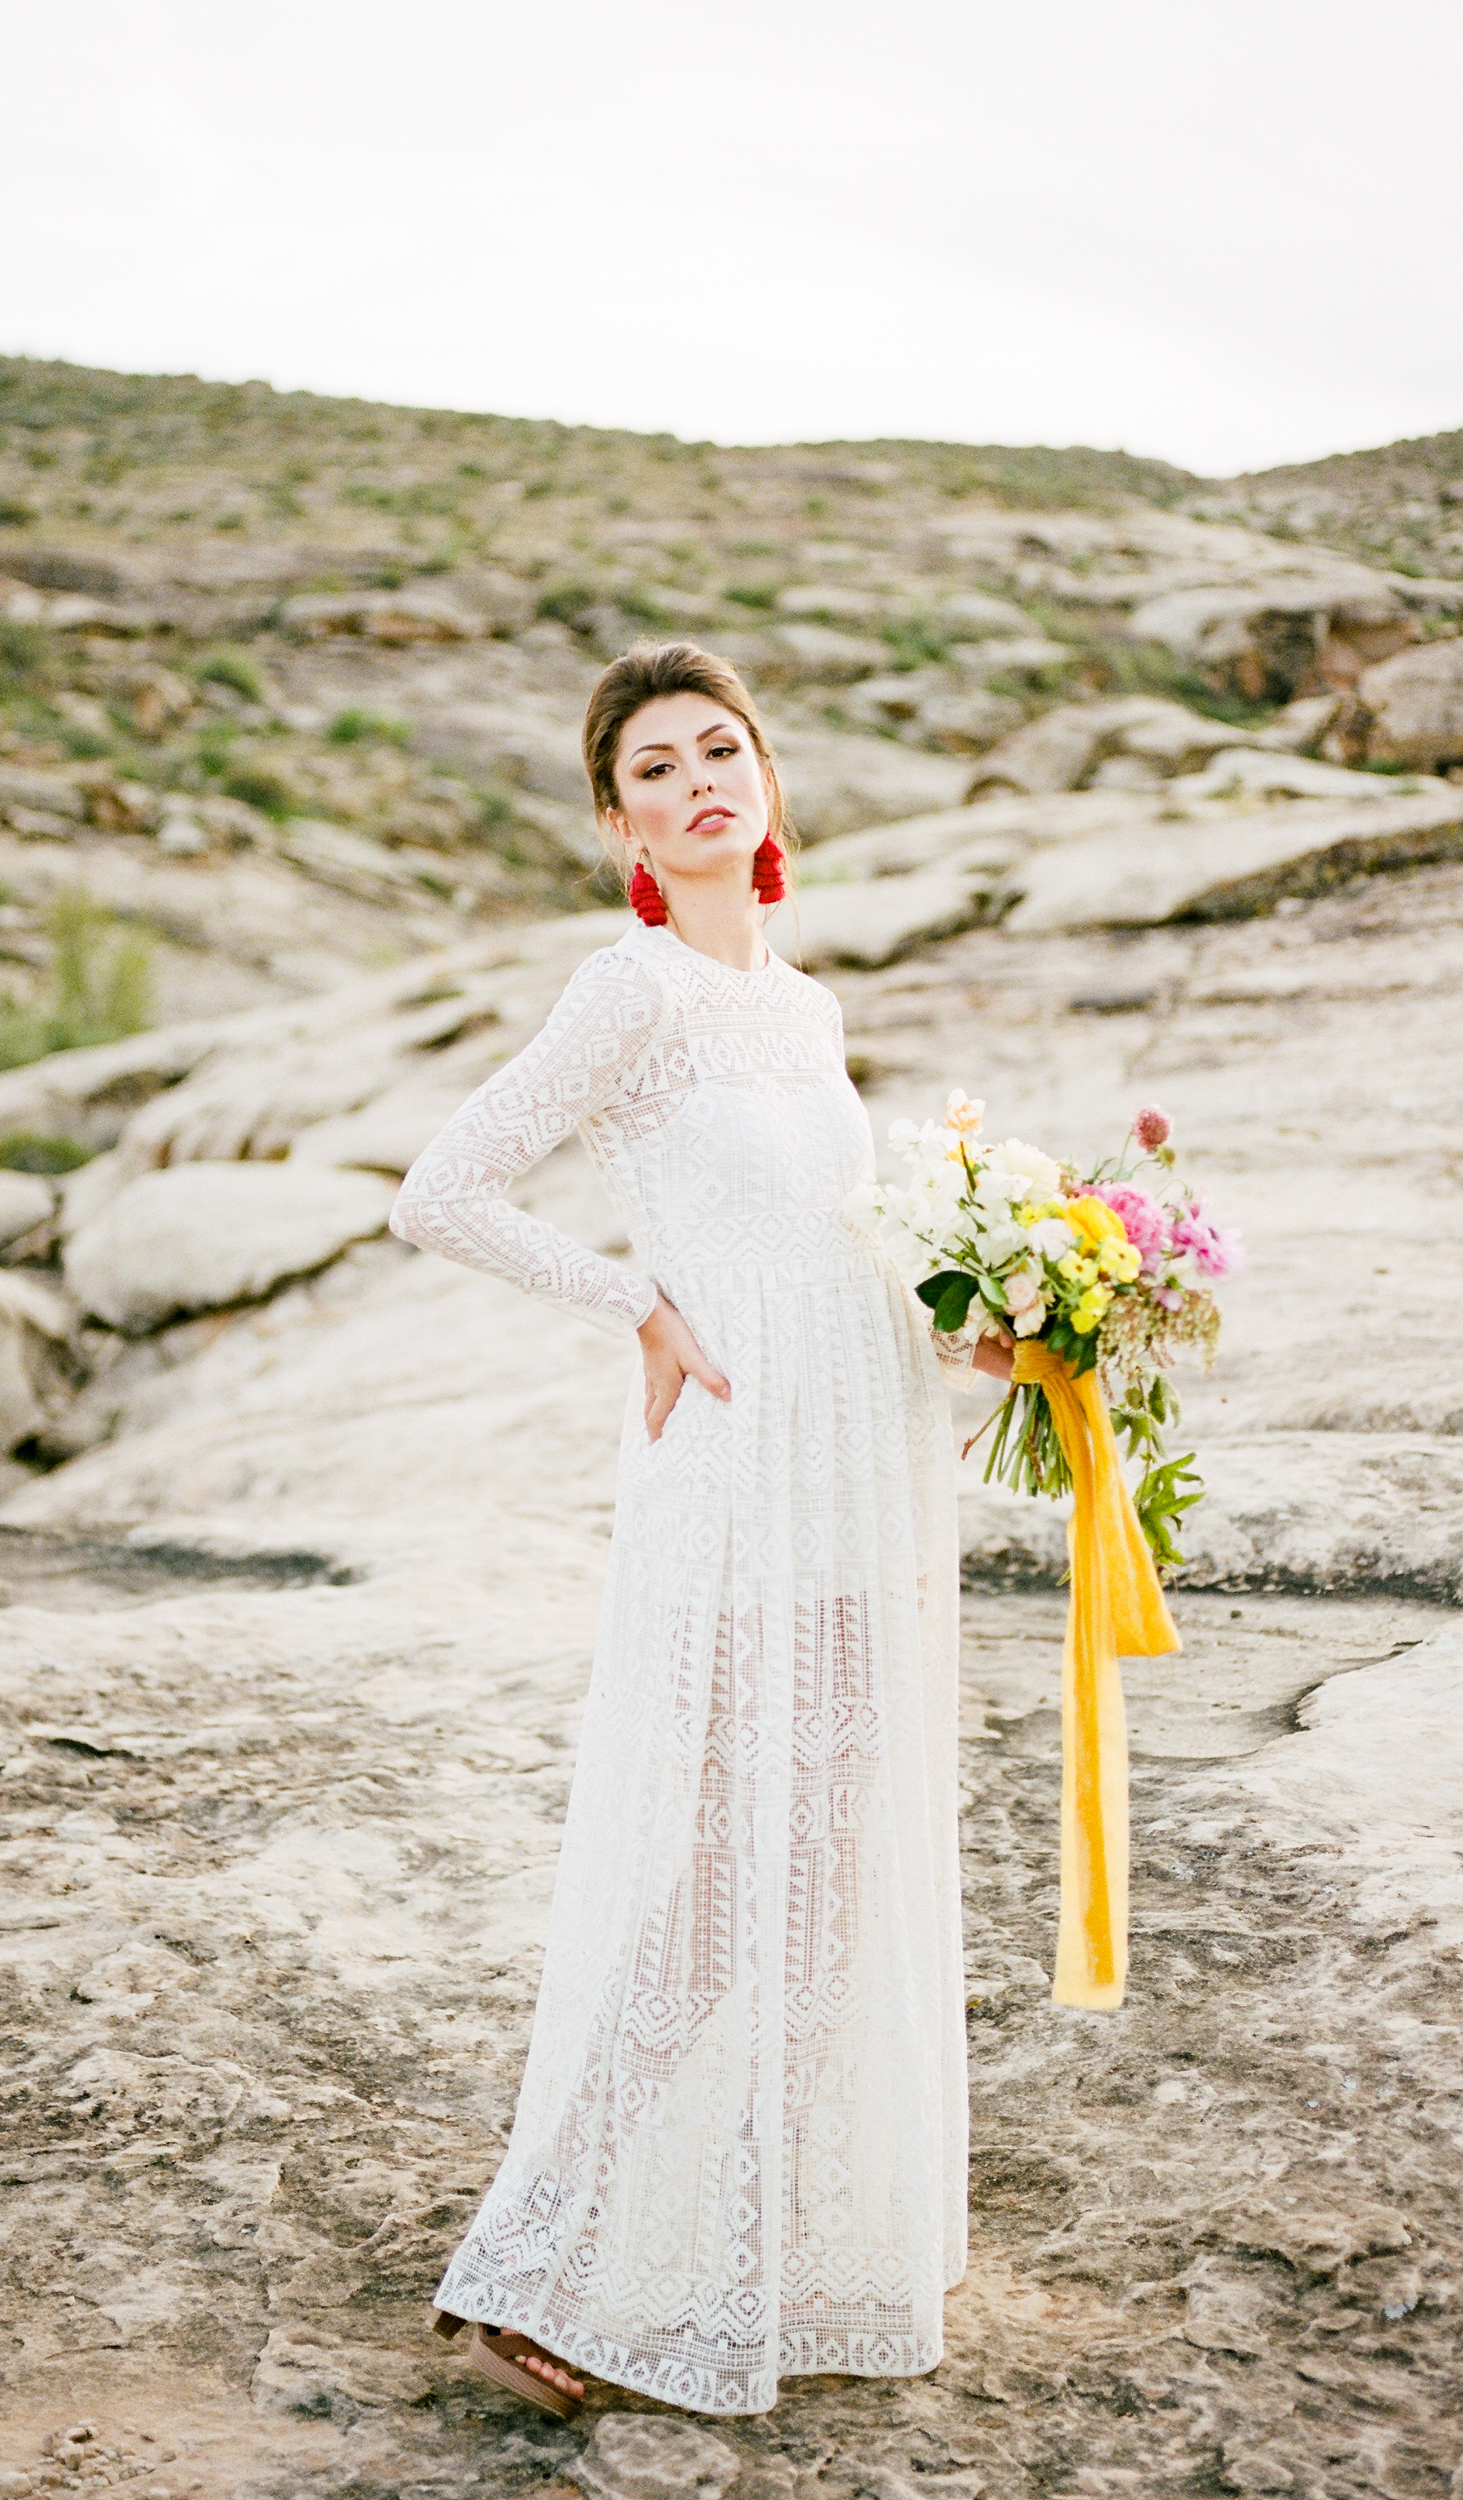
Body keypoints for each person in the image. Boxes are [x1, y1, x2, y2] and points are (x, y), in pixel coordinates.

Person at [388, 641, 1013, 2421]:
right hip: (738, 1474)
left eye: (719, 749)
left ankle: (764, 2222)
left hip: (857, 1465)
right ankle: (547, 2257)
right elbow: (442, 1191)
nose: (695, 782)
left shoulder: (803, 1009)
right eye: (653, 769)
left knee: (822, 1884)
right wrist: (635, 1306)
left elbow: (844, 1249)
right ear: (619, 828)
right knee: (731, 1873)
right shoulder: (632, 992)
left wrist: (994, 1331)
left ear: (768, 782)